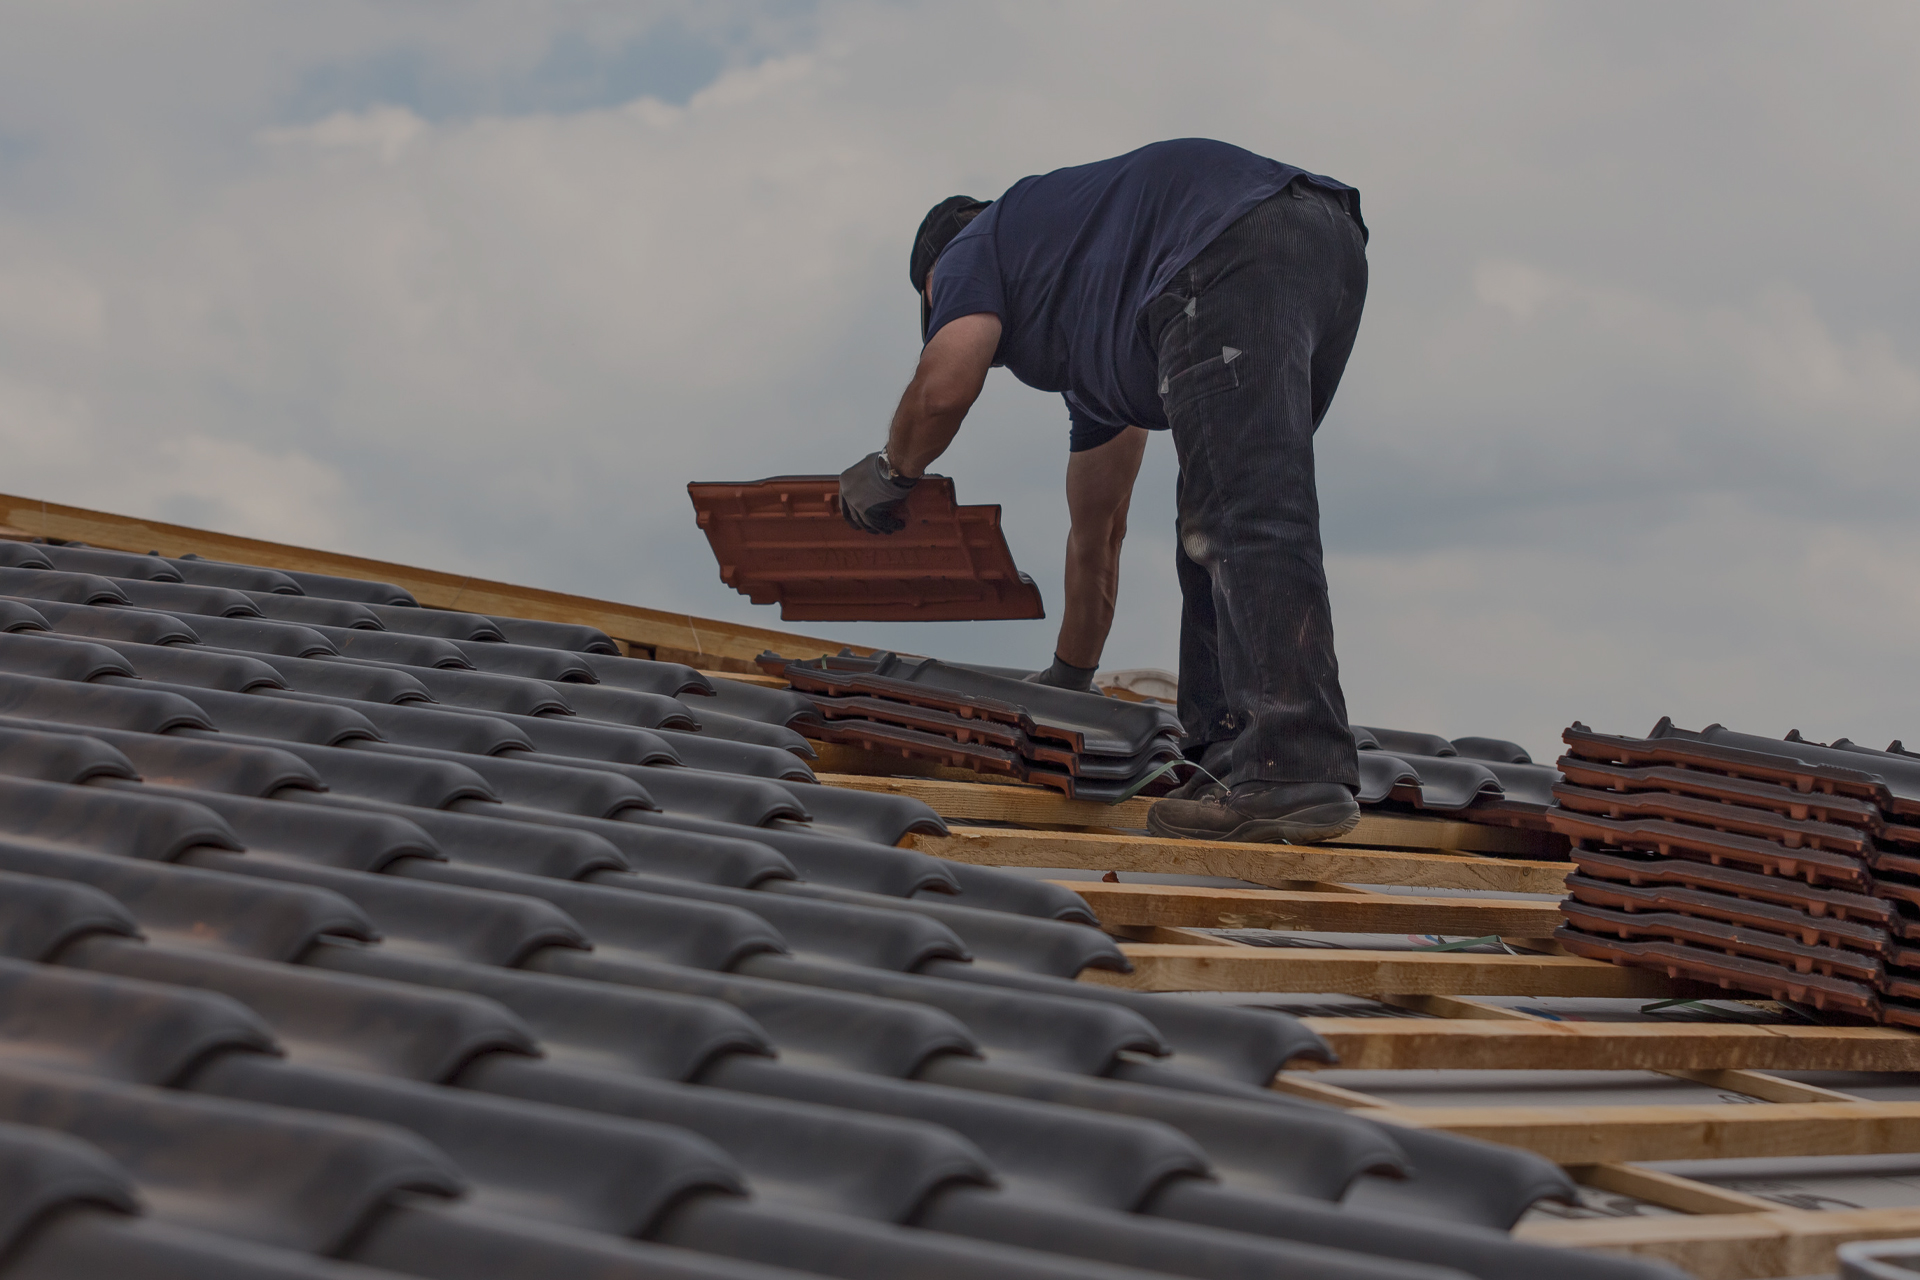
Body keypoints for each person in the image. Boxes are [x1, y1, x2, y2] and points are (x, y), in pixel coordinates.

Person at [836, 139, 1369, 845]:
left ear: (935, 282)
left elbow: (942, 387)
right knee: (1215, 525)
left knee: (1246, 517)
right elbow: (1099, 535)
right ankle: (1227, 766)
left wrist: (889, 471)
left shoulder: (973, 244)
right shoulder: (1097, 350)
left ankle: (1294, 769)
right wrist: (1070, 673)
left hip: (1231, 244)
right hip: (1320, 248)